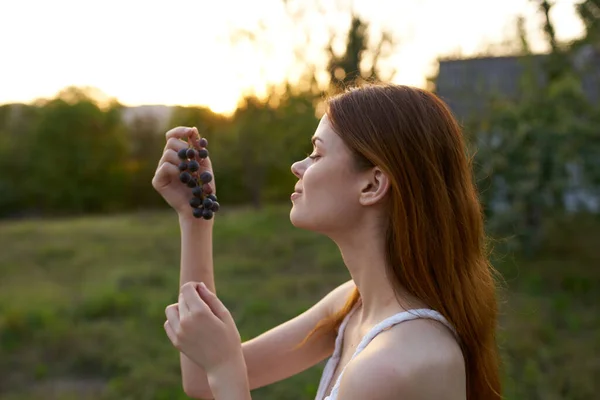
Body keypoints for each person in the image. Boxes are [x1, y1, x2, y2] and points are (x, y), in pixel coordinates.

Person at [152, 83, 502, 400]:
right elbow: (200, 379)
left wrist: (227, 370)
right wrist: (196, 214)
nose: (297, 166)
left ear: (372, 185)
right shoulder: (354, 306)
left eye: (316, 154)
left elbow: (217, 373)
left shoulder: (390, 367)